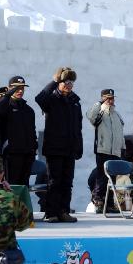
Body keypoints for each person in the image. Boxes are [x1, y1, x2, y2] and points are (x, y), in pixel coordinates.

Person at [35, 66, 82, 223]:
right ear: (59, 83)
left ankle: (64, 211)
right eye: (65, 82)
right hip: (55, 148)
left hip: (69, 148)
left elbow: (78, 127)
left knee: (67, 182)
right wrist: (54, 80)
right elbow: (39, 98)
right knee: (54, 181)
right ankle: (51, 212)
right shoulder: (51, 99)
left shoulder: (75, 102)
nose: (68, 85)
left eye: (71, 82)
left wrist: (78, 146)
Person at [0, 76, 37, 187]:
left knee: (23, 188)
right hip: (11, 156)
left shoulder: (28, 110)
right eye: (17, 88)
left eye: (22, 88)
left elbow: (32, 132)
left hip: (27, 156)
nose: (20, 90)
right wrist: (7, 95)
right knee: (11, 187)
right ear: (10, 89)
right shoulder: (5, 106)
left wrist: (33, 149)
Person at [86, 88, 126, 212]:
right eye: (107, 98)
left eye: (112, 98)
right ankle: (98, 200)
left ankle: (109, 204)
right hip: (103, 149)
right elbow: (90, 116)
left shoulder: (117, 114)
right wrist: (100, 103)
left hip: (115, 151)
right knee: (101, 177)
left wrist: (123, 147)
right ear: (103, 98)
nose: (110, 100)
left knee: (113, 179)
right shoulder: (100, 112)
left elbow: (120, 133)